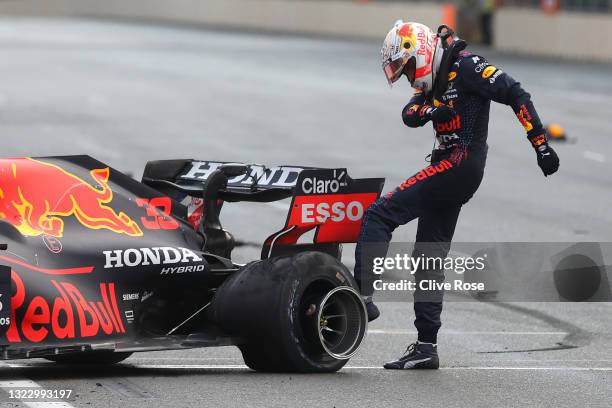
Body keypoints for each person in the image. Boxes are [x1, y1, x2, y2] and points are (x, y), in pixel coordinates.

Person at [354, 20, 559, 370]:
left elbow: (516, 93)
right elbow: (409, 113)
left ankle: (361, 297)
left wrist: (540, 143)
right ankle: (426, 346)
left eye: (406, 70)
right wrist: (431, 110)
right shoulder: (437, 74)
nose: (407, 78)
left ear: (417, 51)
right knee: (429, 256)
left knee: (378, 214)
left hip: (460, 164)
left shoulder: (467, 66)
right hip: (449, 166)